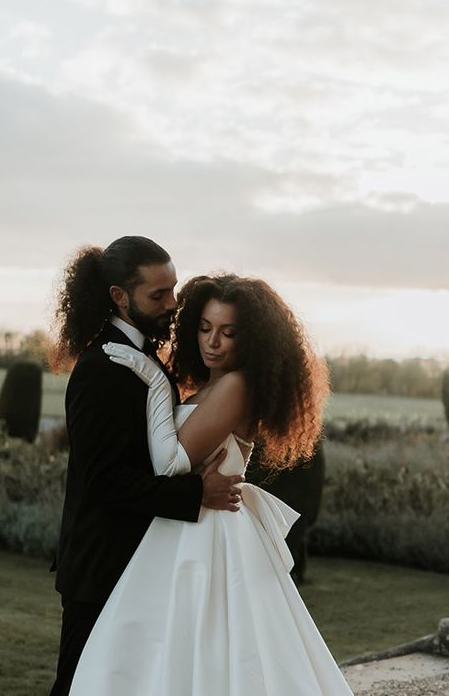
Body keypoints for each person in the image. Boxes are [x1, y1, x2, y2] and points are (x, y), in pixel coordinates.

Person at [69, 274, 354, 695]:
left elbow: (170, 463)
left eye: (228, 332)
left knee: (208, 648)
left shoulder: (236, 386)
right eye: (205, 328)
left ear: (252, 339)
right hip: (189, 523)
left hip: (208, 534)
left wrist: (150, 376)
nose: (212, 341)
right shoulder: (214, 385)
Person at [48, 238, 243, 696]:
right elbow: (103, 482)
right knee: (79, 686)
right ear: (120, 296)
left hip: (141, 562)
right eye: (158, 295)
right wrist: (197, 494)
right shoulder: (104, 367)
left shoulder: (143, 359)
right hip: (101, 568)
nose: (173, 304)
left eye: (173, 290)